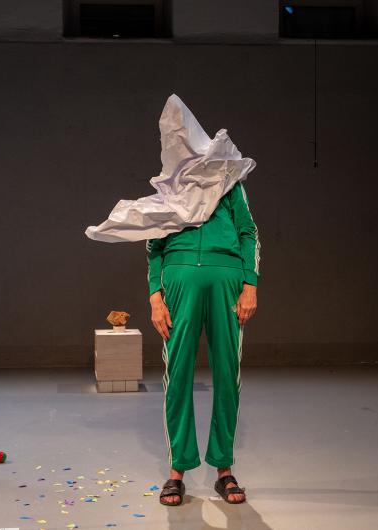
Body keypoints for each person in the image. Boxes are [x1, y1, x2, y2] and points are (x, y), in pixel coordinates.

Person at [148, 179, 260, 506]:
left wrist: (250, 284)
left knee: (227, 373)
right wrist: (156, 296)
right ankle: (177, 470)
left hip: (226, 277)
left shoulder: (230, 182)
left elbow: (248, 231)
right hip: (180, 277)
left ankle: (224, 469)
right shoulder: (168, 183)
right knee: (178, 373)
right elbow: (153, 242)